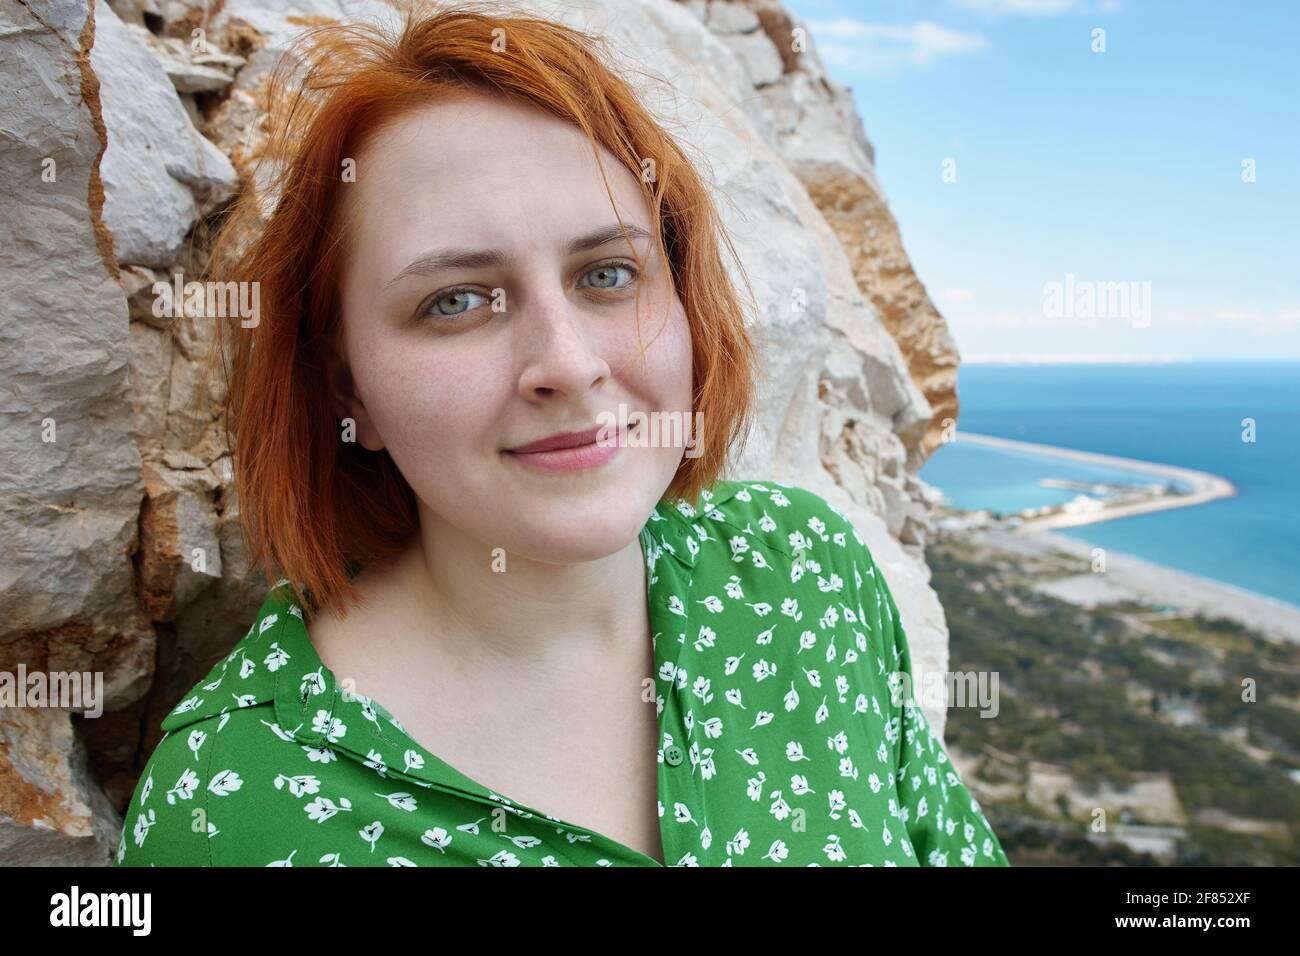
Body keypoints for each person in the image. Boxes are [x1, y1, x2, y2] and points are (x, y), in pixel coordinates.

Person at [115, 2, 1009, 867]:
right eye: (455, 301)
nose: (568, 363)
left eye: (608, 272)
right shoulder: (226, 809)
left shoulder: (802, 574)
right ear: (349, 387)